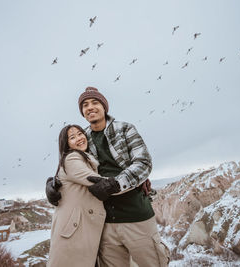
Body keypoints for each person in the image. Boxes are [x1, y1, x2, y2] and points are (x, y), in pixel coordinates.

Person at [47, 87, 170, 267]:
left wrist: (116, 184)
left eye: (95, 102)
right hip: (104, 224)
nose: (90, 107)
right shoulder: (84, 138)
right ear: (82, 112)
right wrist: (53, 183)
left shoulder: (125, 129)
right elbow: (73, 166)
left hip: (136, 215)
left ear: (104, 106)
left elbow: (143, 163)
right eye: (85, 105)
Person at [47, 124, 106, 267]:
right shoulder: (72, 158)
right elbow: (101, 184)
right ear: (66, 144)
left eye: (80, 134)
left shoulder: (84, 157)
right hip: (74, 231)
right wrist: (133, 180)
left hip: (79, 229)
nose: (79, 138)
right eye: (72, 137)